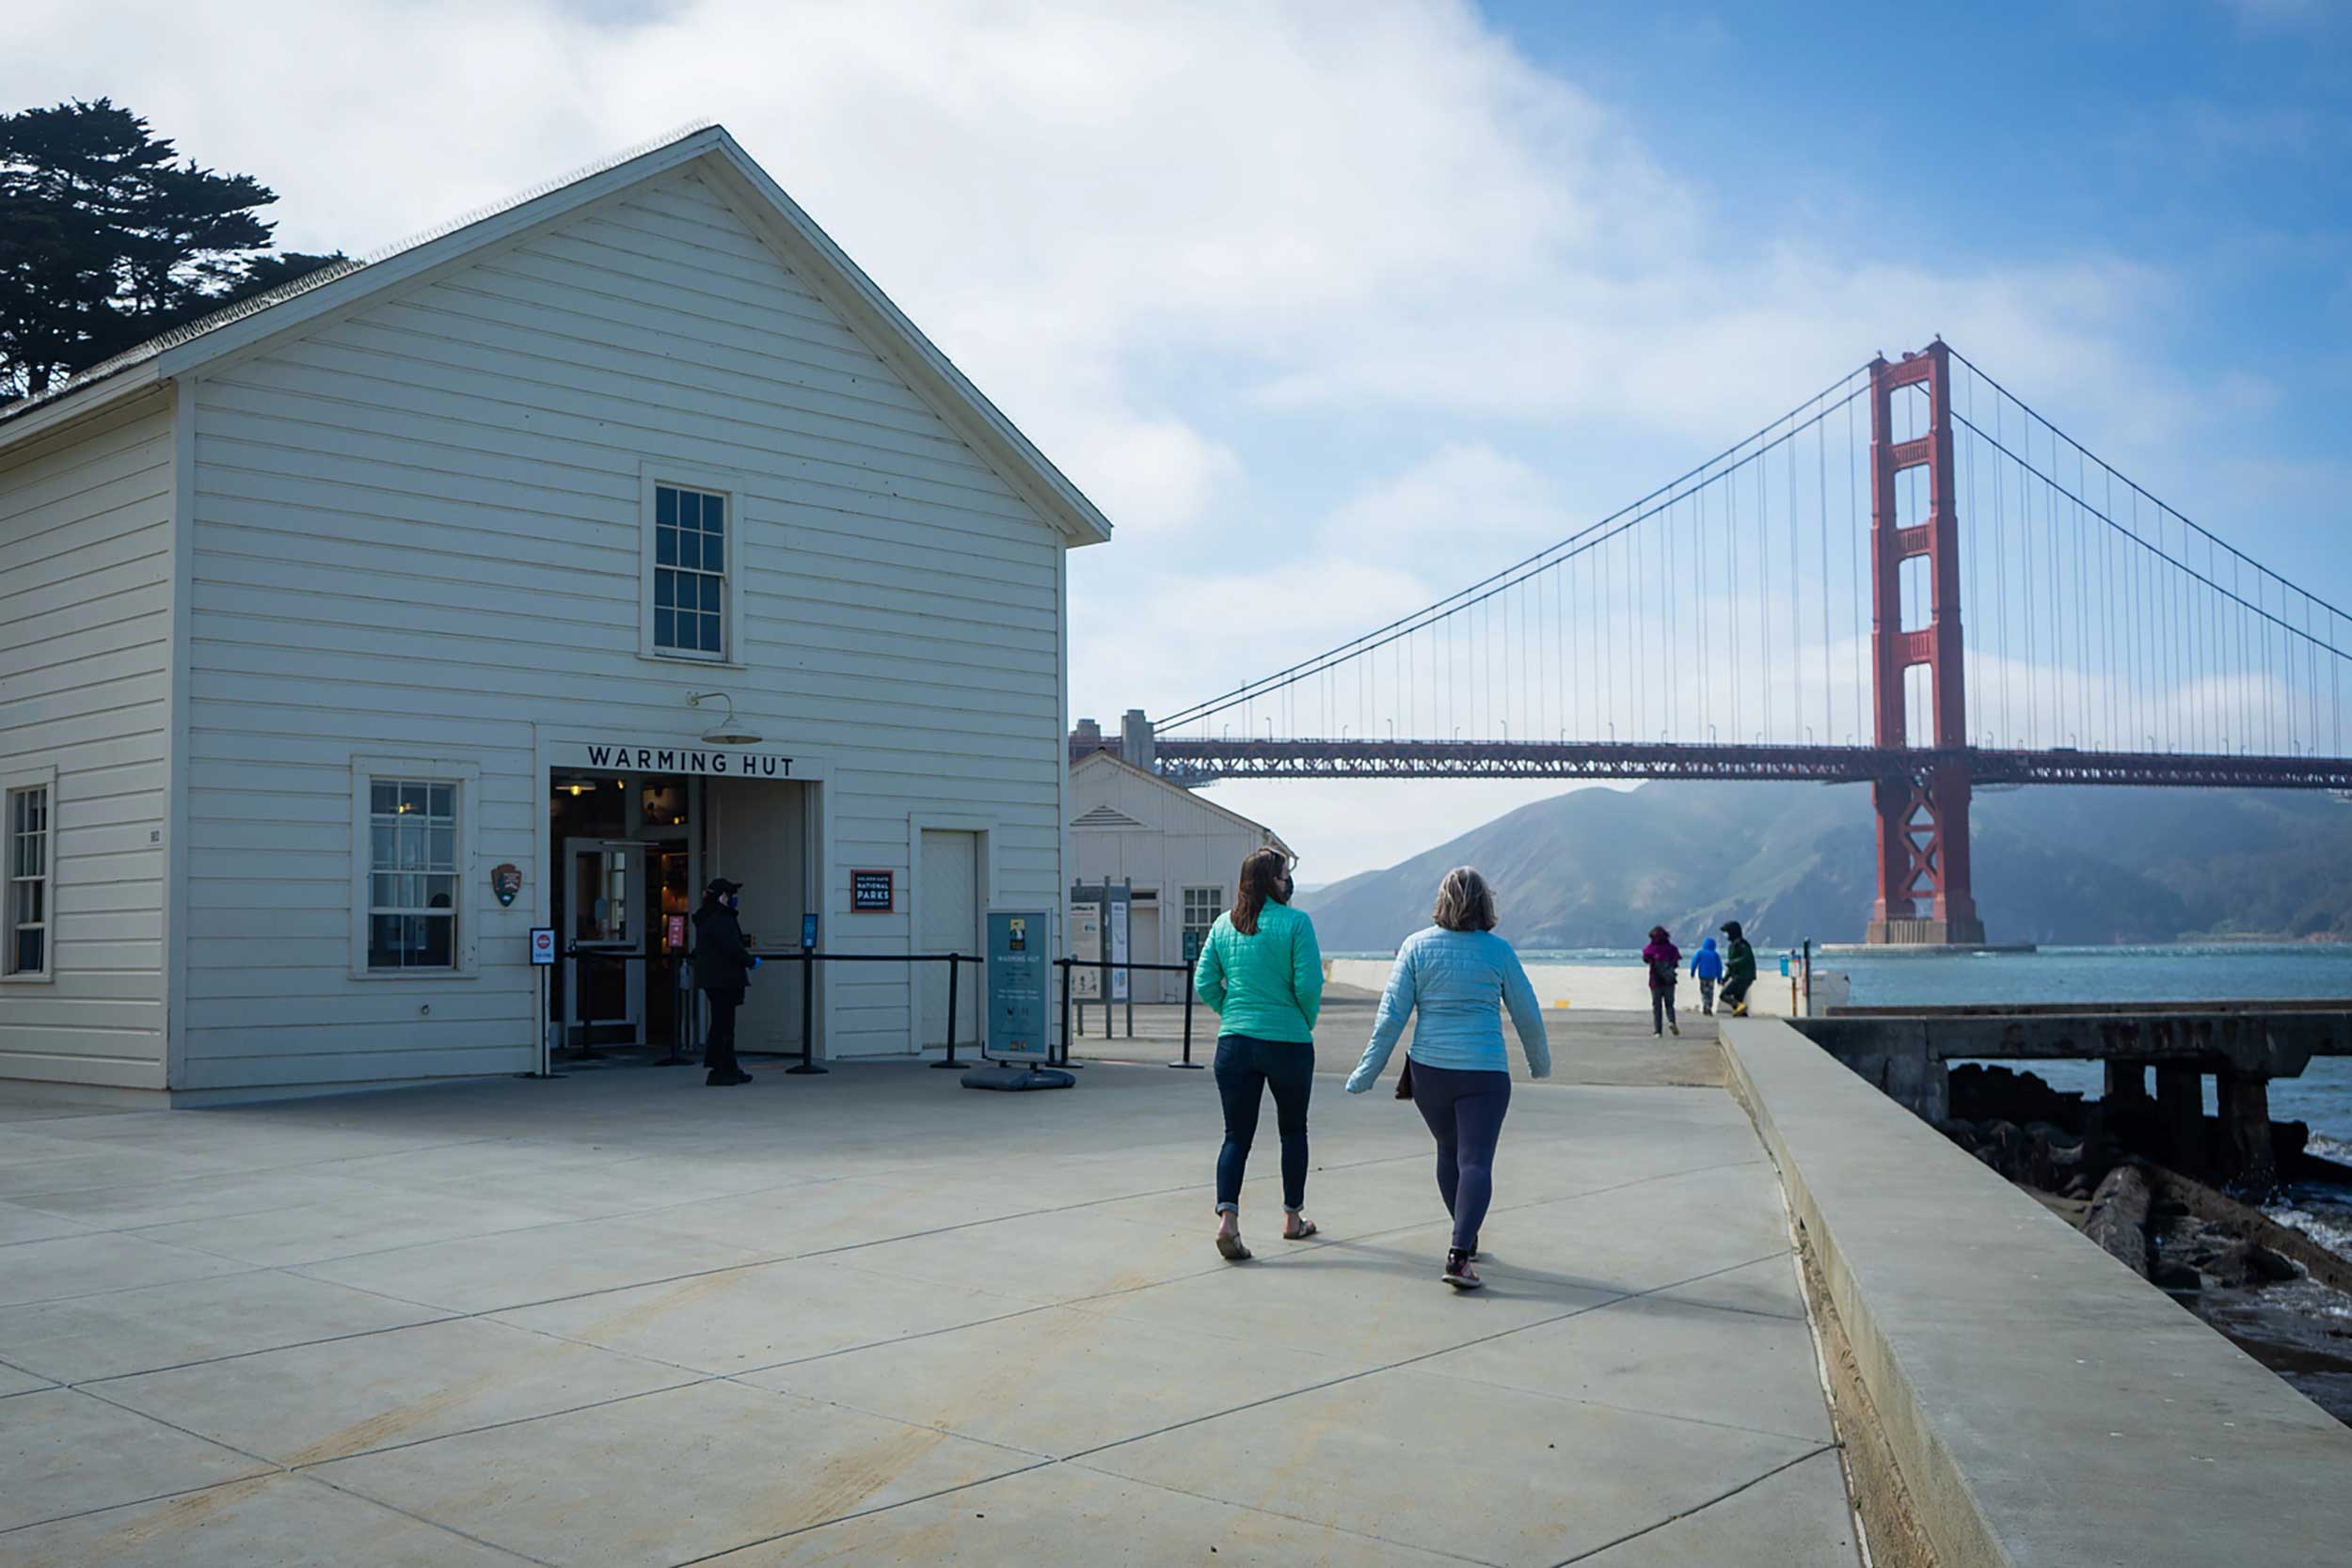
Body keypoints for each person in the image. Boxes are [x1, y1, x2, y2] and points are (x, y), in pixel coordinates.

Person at [1345, 866, 1550, 1291]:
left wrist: (1365, 1073)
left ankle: (1465, 1233)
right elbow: (1527, 1013)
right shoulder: (1498, 952)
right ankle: (1459, 1252)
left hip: (1430, 1073)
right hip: (1484, 1072)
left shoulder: (1415, 947)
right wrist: (1539, 1063)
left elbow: (1391, 1018)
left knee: (1447, 1151)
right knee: (1475, 1161)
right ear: (1485, 903)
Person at [1193, 847, 1324, 1261]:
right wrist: (1302, 1020)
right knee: (1292, 1131)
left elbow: (1204, 982)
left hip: (1234, 1043)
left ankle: (1227, 1221)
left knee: (1236, 1136)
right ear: (1273, 880)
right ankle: (1291, 1219)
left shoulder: (1223, 925)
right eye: (1284, 875)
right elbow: (1309, 985)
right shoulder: (1296, 923)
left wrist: (1230, 1010)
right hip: (1287, 1041)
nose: (1289, 882)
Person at [691, 877, 756, 1086]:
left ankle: (730, 1067)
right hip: (724, 978)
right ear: (722, 897)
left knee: (725, 1023)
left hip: (714, 978)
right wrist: (750, 961)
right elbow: (732, 947)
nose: (734, 899)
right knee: (723, 1025)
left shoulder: (707, 917)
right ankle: (718, 1069)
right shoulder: (721, 918)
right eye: (731, 895)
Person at [1641, 926, 1681, 1037]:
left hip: (1655, 980)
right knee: (1670, 1004)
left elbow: (1645, 959)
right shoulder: (1672, 948)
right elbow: (1676, 962)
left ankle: (1657, 1031)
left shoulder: (1650, 948)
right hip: (1669, 981)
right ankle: (1671, 1021)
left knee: (1657, 1006)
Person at [1719, 919, 1757, 1018]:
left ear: (1732, 932)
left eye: (1727, 932)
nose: (1726, 935)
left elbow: (1746, 958)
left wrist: (1732, 963)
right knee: (1738, 1001)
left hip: (1743, 977)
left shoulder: (1742, 945)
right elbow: (1731, 967)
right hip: (1744, 977)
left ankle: (1740, 1007)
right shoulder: (1733, 946)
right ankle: (1743, 1016)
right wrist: (1725, 978)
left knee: (1724, 995)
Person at [1691, 936, 1724, 1015]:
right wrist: (1719, 978)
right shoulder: (1715, 955)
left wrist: (1692, 972)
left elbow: (1694, 962)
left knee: (1704, 991)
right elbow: (1719, 967)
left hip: (1702, 975)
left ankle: (1705, 1005)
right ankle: (1709, 1005)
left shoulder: (1700, 953)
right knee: (1710, 991)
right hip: (1712, 976)